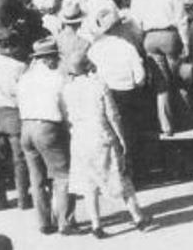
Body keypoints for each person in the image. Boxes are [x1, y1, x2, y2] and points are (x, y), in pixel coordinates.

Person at [62, 52, 152, 237]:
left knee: (89, 184)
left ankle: (96, 225)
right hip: (101, 134)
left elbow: (67, 116)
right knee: (120, 176)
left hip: (80, 138)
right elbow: (112, 115)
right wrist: (121, 138)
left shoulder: (67, 89)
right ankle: (138, 218)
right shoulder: (98, 85)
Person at [16, 36, 75, 235]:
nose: (57, 61)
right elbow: (65, 109)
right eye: (55, 58)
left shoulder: (24, 79)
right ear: (48, 59)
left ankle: (43, 221)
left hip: (26, 127)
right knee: (62, 176)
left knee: (37, 178)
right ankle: (64, 221)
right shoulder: (57, 79)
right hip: (48, 127)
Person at [87, 3, 146, 184]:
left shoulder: (94, 49)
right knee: (130, 133)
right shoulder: (127, 47)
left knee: (109, 133)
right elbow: (140, 77)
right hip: (126, 93)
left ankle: (114, 174)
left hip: (104, 93)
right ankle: (134, 173)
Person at [130, 0, 187, 135]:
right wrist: (186, 42)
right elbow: (181, 18)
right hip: (169, 34)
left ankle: (166, 125)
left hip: (149, 37)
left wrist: (139, 42)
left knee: (161, 83)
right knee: (177, 80)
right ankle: (184, 118)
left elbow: (135, 20)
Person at [0, 28, 30, 210]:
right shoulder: (20, 67)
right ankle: (23, 198)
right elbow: (23, 94)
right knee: (19, 159)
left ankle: (0, 197)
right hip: (14, 112)